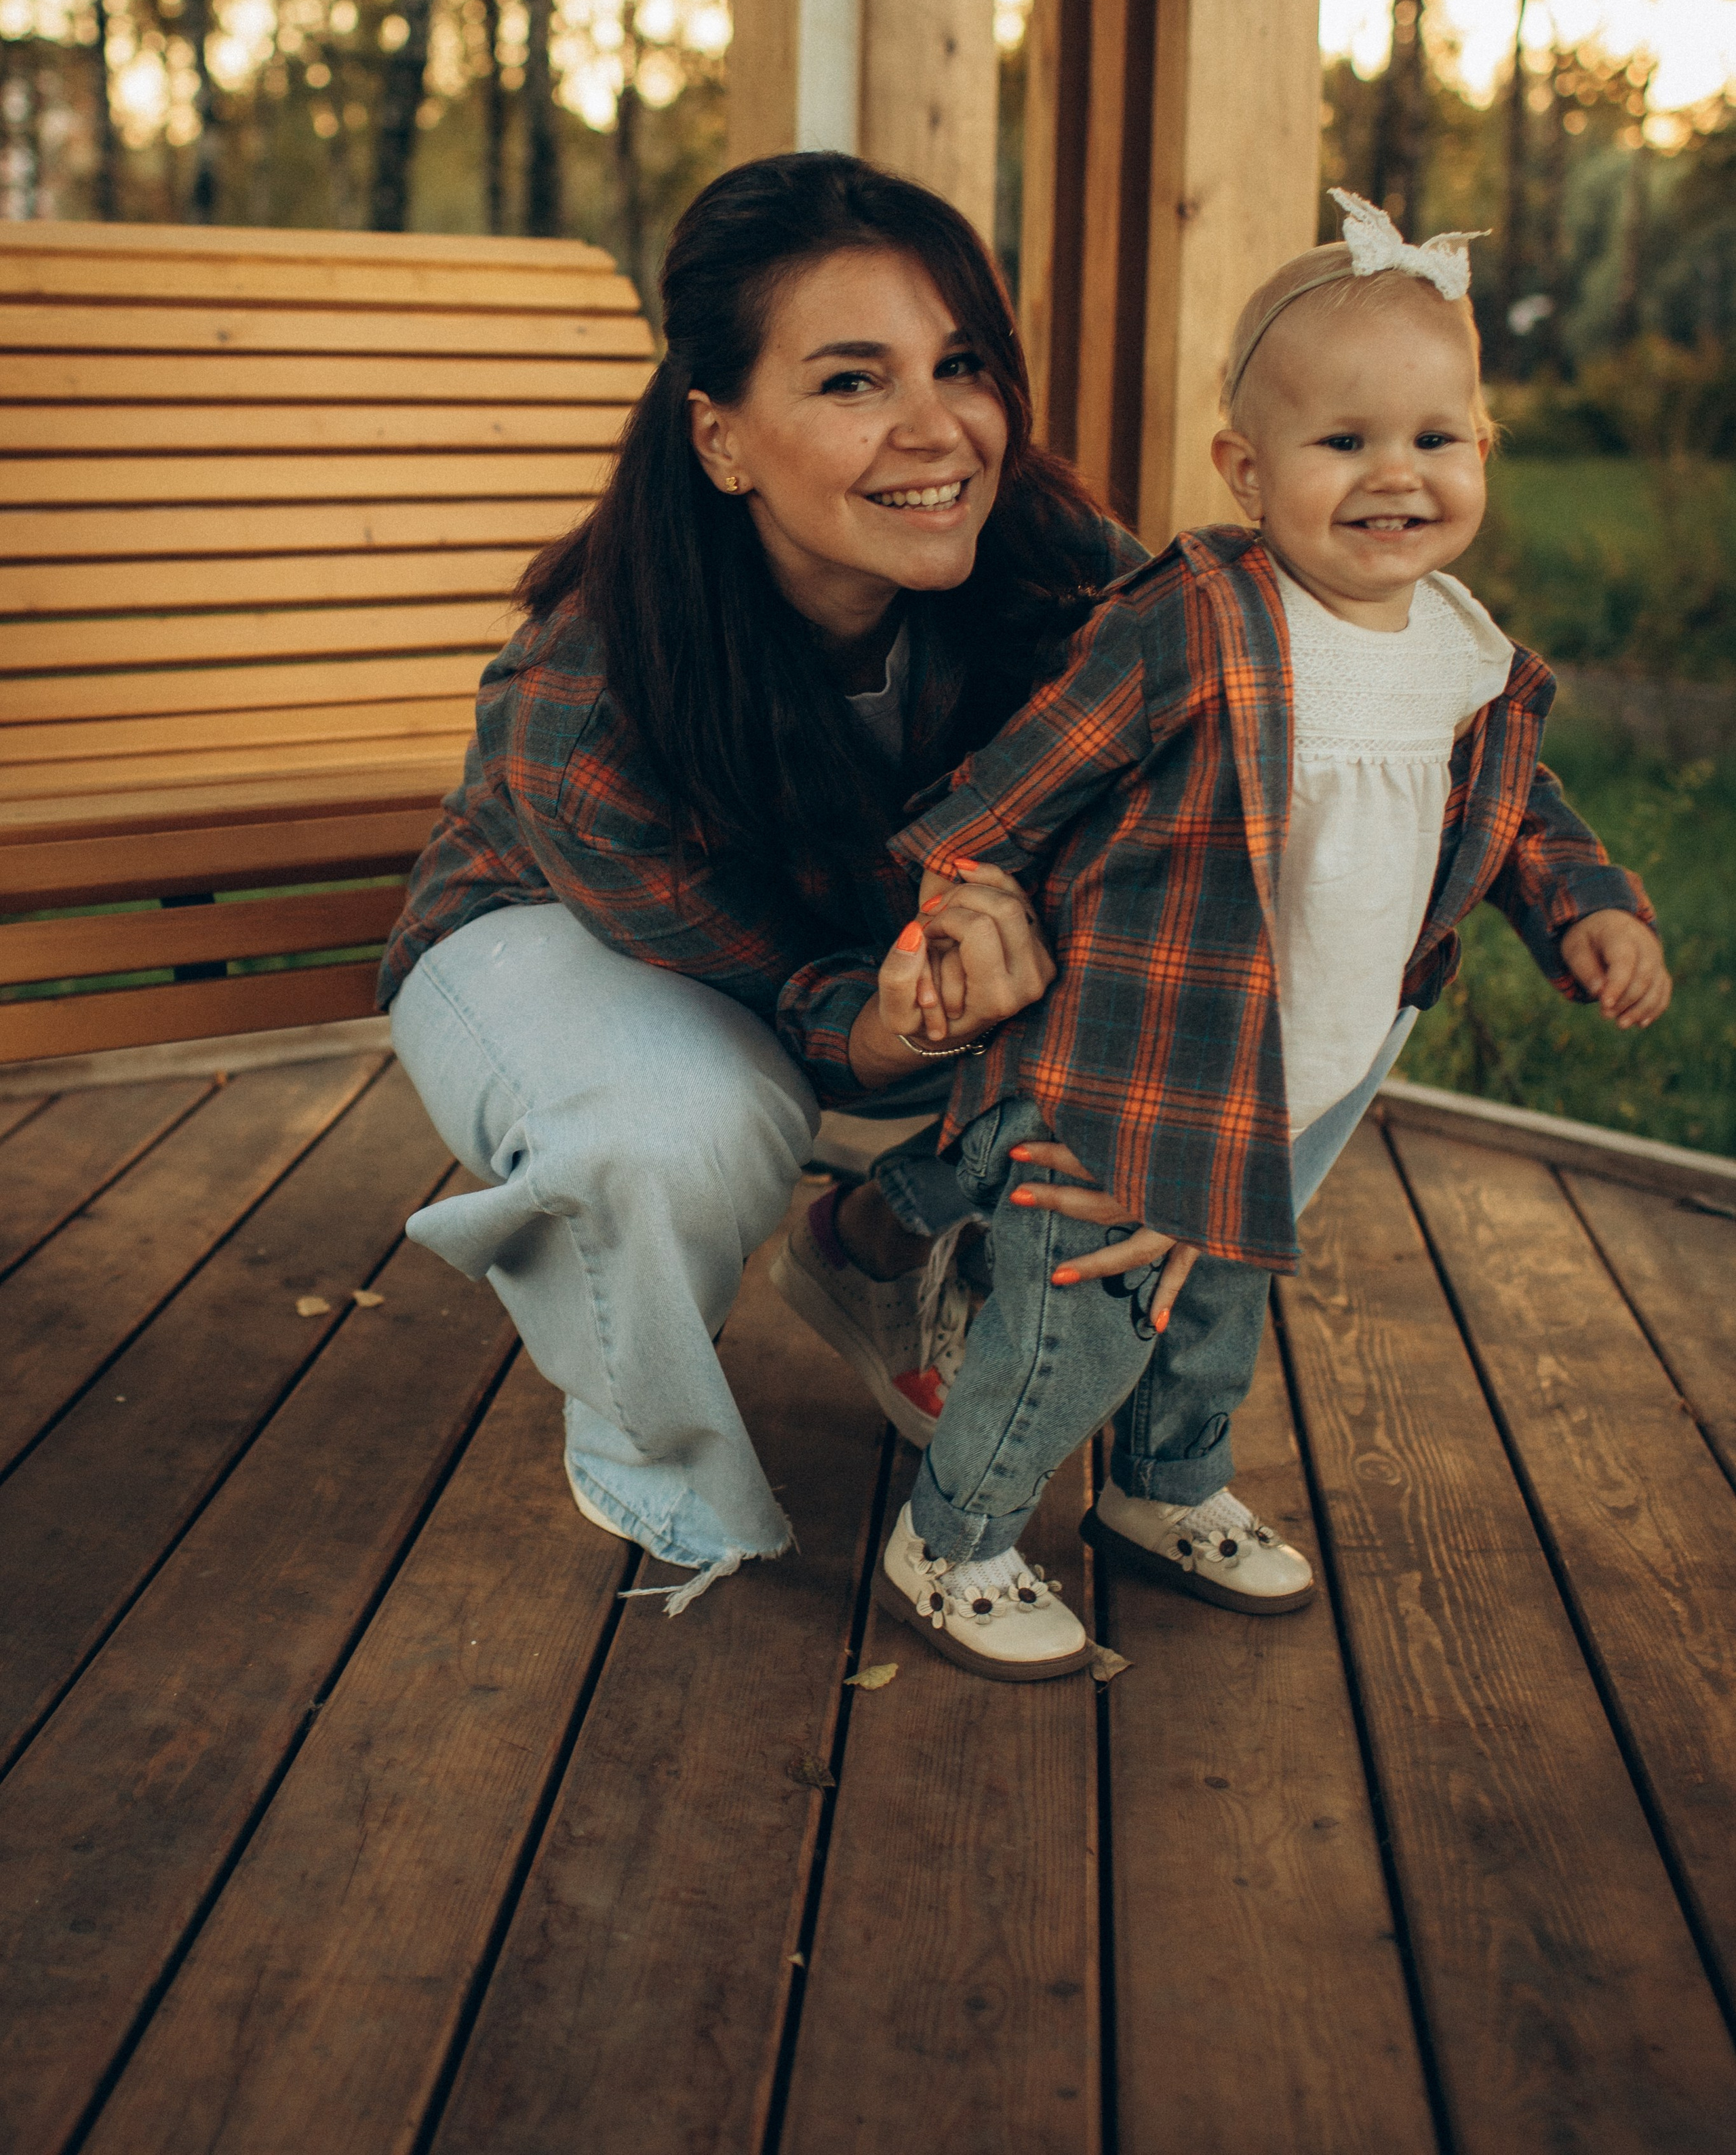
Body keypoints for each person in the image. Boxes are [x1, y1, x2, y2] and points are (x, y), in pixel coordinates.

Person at [869, 191, 1672, 1682]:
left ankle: (1162, 1489)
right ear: (1245, 469)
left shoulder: (1458, 646)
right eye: (1341, 442)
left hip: (1310, 1061)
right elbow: (1016, 784)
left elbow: (1510, 804)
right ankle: (955, 1532)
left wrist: (1588, 903)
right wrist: (953, 898)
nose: (1393, 477)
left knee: (1217, 1282)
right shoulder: (1202, 616)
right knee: (1088, 1303)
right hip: (1136, 1050)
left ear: (1480, 451)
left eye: (1432, 440)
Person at [379, 151, 1145, 1610]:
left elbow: (1244, 759)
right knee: (673, 1132)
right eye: (851, 382)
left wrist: (1194, 1114)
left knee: (1299, 924)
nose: (937, 430)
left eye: (961, 361)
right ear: (722, 439)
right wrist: (906, 1020)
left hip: (875, 962)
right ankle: (657, 1456)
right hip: (566, 943)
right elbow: (790, 1001)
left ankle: (879, 1238)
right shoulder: (585, 694)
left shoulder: (1056, 563)